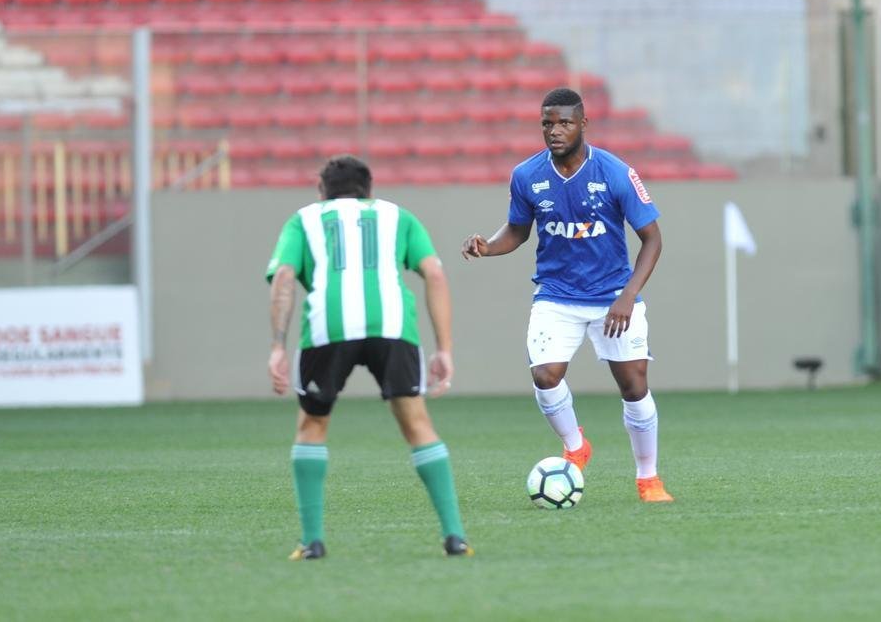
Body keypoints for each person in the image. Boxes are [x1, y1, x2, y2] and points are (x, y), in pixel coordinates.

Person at [462, 87, 673, 502]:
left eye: (564, 123)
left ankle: (648, 478)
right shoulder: (527, 176)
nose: (555, 131)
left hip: (612, 296)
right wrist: (489, 245)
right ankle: (576, 447)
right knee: (544, 376)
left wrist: (627, 296)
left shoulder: (615, 172)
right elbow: (519, 231)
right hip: (556, 295)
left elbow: (652, 240)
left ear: (583, 125)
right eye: (547, 124)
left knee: (633, 386)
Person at [266, 155, 472, 560]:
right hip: (392, 326)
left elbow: (285, 277)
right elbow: (435, 274)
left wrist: (277, 345)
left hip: (329, 326)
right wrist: (443, 349)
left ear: (321, 192)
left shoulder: (304, 219)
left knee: (312, 426)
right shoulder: (398, 216)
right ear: (370, 191)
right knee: (417, 425)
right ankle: (455, 537)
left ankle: (312, 543)